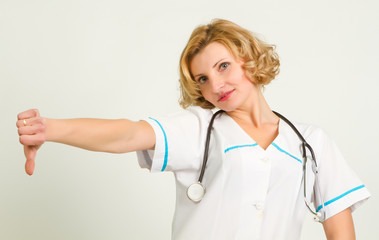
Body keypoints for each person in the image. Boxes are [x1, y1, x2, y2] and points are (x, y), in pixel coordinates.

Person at [17, 19, 370, 240]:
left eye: (223, 66)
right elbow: (127, 134)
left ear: (247, 57)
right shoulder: (199, 129)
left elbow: (339, 230)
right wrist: (50, 128)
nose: (216, 84)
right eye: (203, 78)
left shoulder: (311, 142)